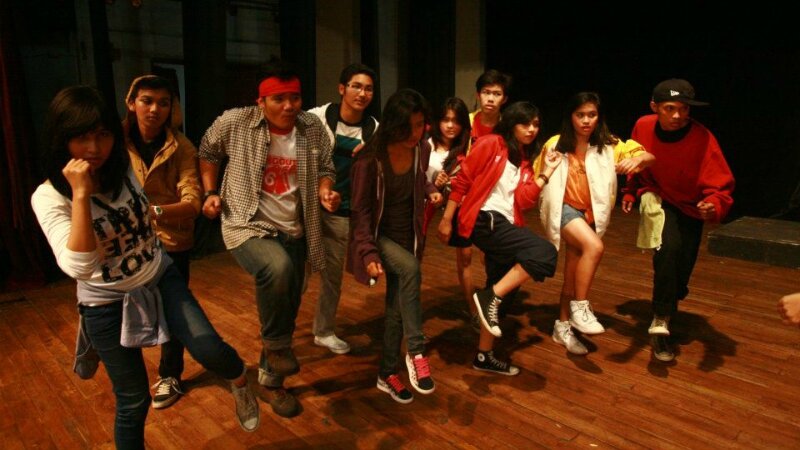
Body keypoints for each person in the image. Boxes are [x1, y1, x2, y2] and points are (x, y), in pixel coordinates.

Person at [31, 86, 260, 448]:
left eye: (102, 135)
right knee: (133, 400)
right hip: (104, 302)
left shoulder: (123, 166)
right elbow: (80, 266)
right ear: (61, 140)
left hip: (158, 275)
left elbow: (162, 206)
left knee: (209, 349)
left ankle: (241, 381)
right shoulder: (48, 196)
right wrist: (80, 194)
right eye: (81, 138)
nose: (94, 148)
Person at [198, 61, 339, 417]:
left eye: (295, 98)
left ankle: (272, 383)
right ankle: (276, 347)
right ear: (261, 101)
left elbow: (326, 167)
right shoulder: (236, 122)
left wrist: (325, 190)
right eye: (279, 99)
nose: (289, 106)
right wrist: (210, 192)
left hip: (296, 229)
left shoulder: (312, 128)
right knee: (276, 268)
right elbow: (208, 151)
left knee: (285, 306)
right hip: (246, 223)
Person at [438, 101, 559, 375]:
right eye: (525, 123)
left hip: (505, 223)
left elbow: (524, 200)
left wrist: (546, 172)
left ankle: (484, 355)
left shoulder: (525, 161)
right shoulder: (492, 143)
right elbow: (463, 179)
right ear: (512, 124)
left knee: (499, 297)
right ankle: (489, 297)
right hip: (484, 219)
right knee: (545, 253)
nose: (531, 129)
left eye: (535, 124)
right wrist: (447, 218)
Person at [621, 79, 735, 362]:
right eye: (669, 108)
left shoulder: (702, 138)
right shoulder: (643, 126)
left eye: (683, 109)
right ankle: (660, 319)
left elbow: (720, 185)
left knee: (682, 267)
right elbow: (636, 160)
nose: (677, 115)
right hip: (659, 197)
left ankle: (671, 297)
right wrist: (631, 191)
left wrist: (713, 205)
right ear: (655, 107)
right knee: (668, 249)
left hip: (691, 206)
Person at [535, 92, 655, 355]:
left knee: (572, 275)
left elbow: (649, 157)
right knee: (595, 247)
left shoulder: (609, 144)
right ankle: (581, 307)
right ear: (570, 117)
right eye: (580, 115)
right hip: (563, 210)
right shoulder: (555, 144)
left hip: (589, 215)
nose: (586, 120)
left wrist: (637, 159)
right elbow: (536, 176)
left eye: (592, 115)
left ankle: (562, 326)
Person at [347, 88, 442, 403]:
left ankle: (387, 373)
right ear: (392, 124)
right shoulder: (370, 159)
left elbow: (418, 178)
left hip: (409, 237)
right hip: (379, 237)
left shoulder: (421, 148)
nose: (415, 133)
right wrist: (368, 251)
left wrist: (429, 188)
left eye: (419, 125)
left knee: (396, 309)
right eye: (407, 127)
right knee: (410, 269)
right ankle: (416, 351)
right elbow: (360, 212)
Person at [123, 75, 200, 409]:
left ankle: (170, 375)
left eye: (163, 103)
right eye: (147, 101)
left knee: (174, 312)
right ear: (131, 103)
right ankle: (129, 379)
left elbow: (193, 202)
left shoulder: (182, 147)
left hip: (170, 240)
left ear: (172, 108)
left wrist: (152, 211)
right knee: (123, 312)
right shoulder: (114, 142)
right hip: (125, 242)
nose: (155, 109)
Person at [307, 63, 378, 355]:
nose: (362, 93)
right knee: (296, 276)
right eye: (356, 86)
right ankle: (279, 335)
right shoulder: (317, 118)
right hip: (307, 210)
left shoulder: (373, 129)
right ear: (341, 88)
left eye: (368, 89)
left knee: (332, 277)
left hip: (343, 211)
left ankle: (323, 331)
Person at [423, 97, 478, 327]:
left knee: (466, 257)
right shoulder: (424, 144)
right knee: (414, 256)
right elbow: (416, 174)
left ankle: (474, 310)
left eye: (456, 121)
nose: (450, 125)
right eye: (445, 119)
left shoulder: (468, 148)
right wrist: (433, 181)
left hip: (460, 206)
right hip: (427, 205)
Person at [469, 69, 511, 148]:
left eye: (497, 94)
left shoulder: (508, 126)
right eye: (486, 92)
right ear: (478, 95)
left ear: (504, 99)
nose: (490, 99)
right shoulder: (466, 121)